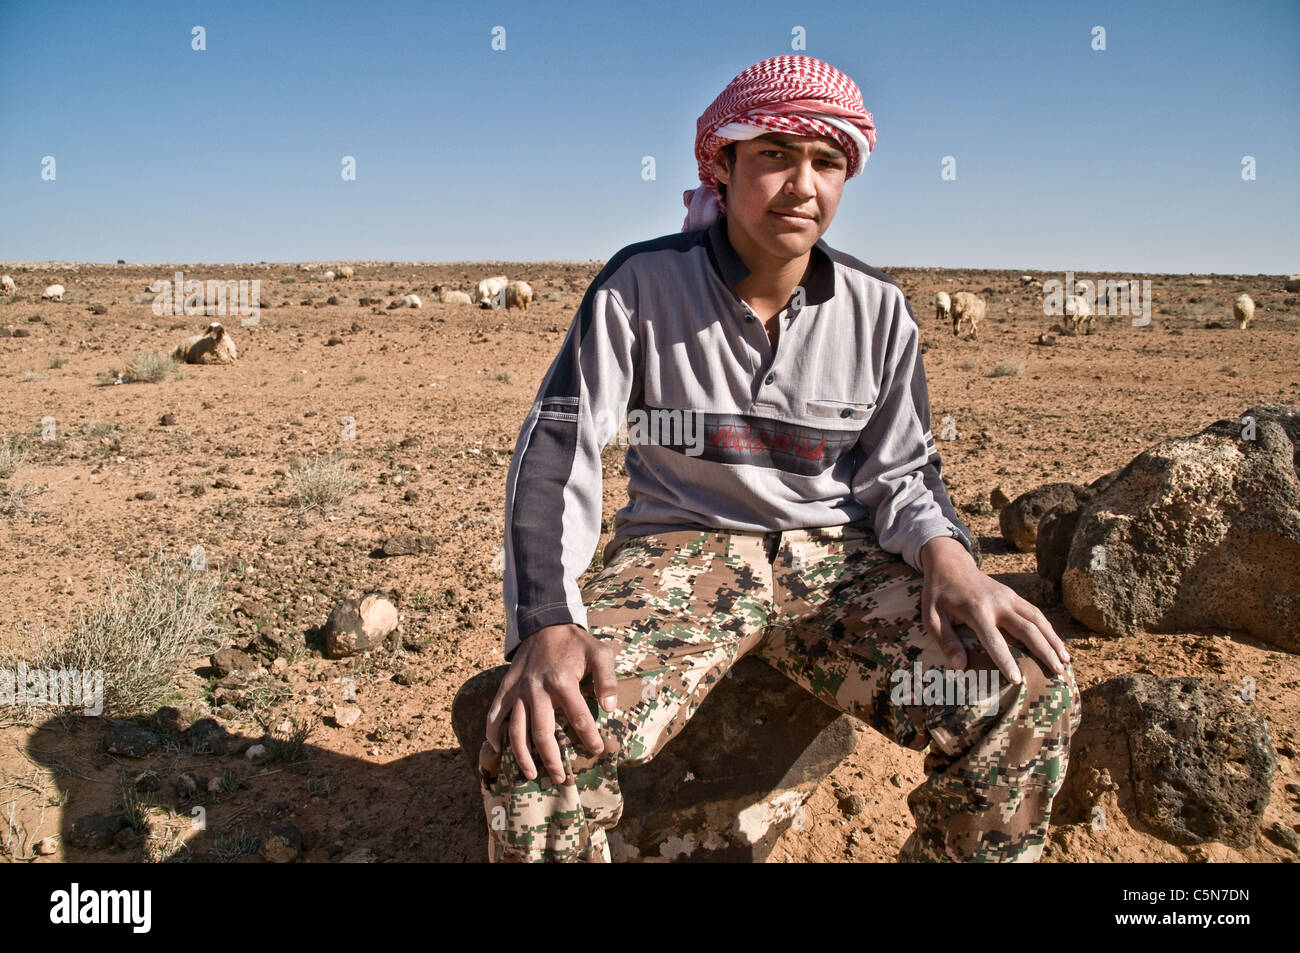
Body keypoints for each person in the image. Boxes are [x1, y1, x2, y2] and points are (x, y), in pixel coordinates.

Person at [479, 55, 1080, 863]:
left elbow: (904, 472)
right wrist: (547, 622)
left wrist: (950, 558)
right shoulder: (640, 285)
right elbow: (559, 449)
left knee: (1024, 686)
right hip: (678, 556)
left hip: (840, 568)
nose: (803, 184)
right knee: (542, 730)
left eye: (827, 161)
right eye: (774, 155)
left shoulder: (880, 310)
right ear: (722, 166)